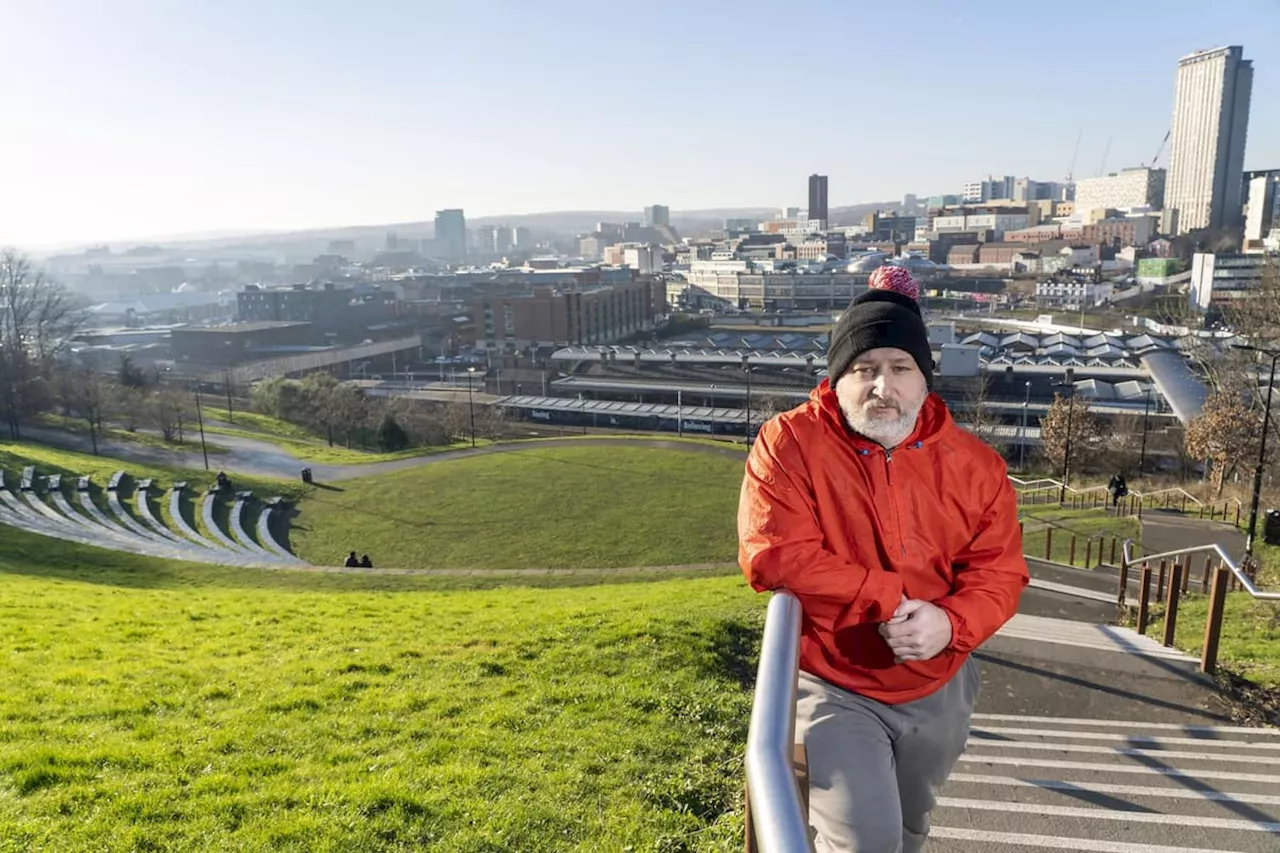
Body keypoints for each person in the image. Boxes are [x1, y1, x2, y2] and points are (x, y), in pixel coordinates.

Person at [738, 266, 1029, 853]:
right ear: (836, 378)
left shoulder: (975, 465)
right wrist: (889, 597)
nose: (881, 386)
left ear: (925, 380)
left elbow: (999, 571)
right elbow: (772, 554)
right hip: (834, 680)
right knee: (865, 841)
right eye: (863, 369)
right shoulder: (789, 442)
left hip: (940, 682)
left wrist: (950, 622)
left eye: (901, 369)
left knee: (909, 828)